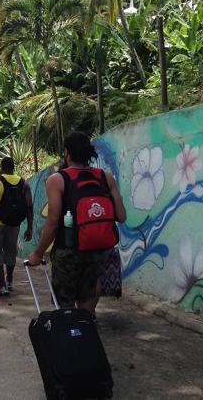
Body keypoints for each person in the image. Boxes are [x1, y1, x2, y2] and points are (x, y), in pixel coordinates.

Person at [28, 131, 127, 313]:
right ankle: (87, 325)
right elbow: (121, 216)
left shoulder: (57, 180)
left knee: (65, 303)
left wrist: (38, 253)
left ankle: (71, 333)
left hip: (68, 251)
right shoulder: (106, 177)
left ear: (67, 152)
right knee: (88, 295)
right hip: (98, 250)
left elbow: (53, 222)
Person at [0, 157, 33, 296]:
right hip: (14, 224)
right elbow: (29, 206)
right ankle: (10, 281)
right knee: (11, 252)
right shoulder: (24, 183)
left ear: (1, 167)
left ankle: (2, 285)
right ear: (13, 167)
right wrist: (30, 228)